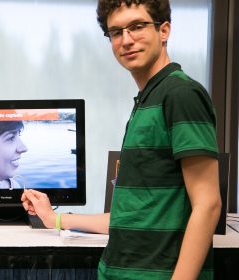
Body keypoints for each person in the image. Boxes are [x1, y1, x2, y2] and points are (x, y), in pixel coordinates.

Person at [21, 0, 221, 279]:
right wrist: (52, 217)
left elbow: (208, 204)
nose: (126, 40)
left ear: (164, 30)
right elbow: (132, 216)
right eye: (116, 32)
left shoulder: (180, 94)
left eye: (137, 26)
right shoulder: (148, 99)